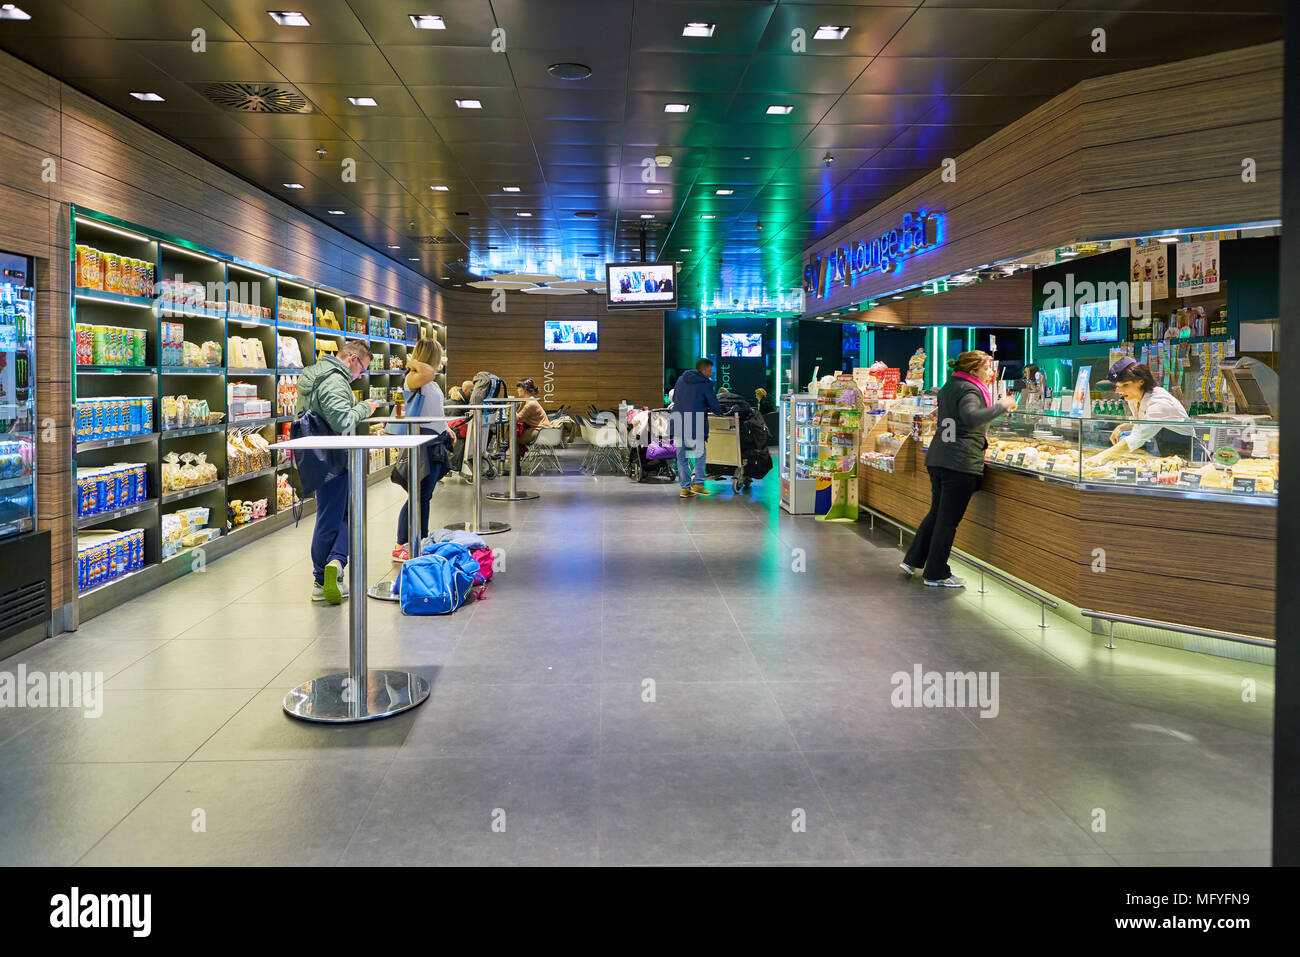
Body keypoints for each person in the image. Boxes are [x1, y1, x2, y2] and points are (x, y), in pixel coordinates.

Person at [901, 350, 1016, 587]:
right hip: (959, 462)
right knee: (947, 521)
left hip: (940, 457)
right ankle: (936, 573)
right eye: (986, 368)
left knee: (937, 514)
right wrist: (1002, 405)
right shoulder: (969, 389)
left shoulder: (949, 386)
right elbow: (972, 418)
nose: (990, 372)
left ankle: (913, 559)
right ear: (973, 370)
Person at [294, 339, 382, 603]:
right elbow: (342, 420)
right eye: (361, 370)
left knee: (344, 512)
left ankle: (334, 564)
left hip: (318, 453)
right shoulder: (334, 379)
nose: (360, 376)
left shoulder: (315, 373)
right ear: (352, 359)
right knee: (332, 514)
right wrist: (366, 407)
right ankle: (323, 576)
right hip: (332, 454)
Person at [392, 337, 448, 560]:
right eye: (438, 353)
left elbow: (435, 409)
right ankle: (403, 543)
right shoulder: (416, 377)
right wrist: (412, 361)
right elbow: (428, 373)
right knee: (419, 495)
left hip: (435, 440)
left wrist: (446, 429)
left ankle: (419, 538)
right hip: (421, 442)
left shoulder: (429, 381)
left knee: (425, 495)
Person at [1085, 356, 1196, 464]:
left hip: (1191, 455)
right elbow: (1144, 422)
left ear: (1141, 381)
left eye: (1125, 385)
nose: (1119, 391)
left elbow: (1137, 438)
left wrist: (1099, 458)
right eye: (1117, 386)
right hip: (1169, 454)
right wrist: (1124, 426)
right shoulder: (1134, 397)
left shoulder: (1159, 403)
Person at [672, 358, 723, 499]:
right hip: (695, 422)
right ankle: (699, 484)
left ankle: (685, 488)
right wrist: (720, 412)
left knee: (681, 457)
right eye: (710, 369)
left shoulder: (681, 379)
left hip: (679, 421)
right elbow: (713, 403)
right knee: (699, 454)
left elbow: (675, 398)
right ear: (704, 370)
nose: (711, 372)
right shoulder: (705, 384)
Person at [515, 378, 550, 450]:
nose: (517, 390)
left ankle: (513, 458)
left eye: (518, 388)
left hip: (540, 431)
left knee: (512, 437)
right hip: (540, 429)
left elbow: (517, 419)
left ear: (524, 389)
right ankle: (513, 458)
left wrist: (511, 406)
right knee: (513, 434)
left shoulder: (531, 403)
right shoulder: (529, 400)